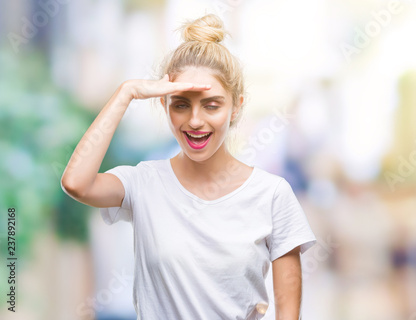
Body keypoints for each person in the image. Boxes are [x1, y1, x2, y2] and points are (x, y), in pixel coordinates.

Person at [61, 13, 317, 320]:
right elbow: (76, 183)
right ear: (164, 104)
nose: (195, 121)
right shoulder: (143, 182)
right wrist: (126, 93)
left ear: (236, 106)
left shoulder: (272, 195)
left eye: (211, 105)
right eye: (181, 104)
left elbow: (288, 315)